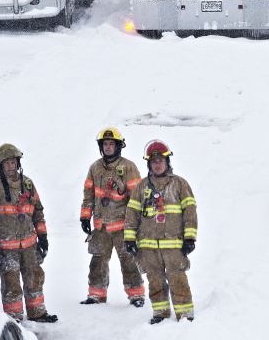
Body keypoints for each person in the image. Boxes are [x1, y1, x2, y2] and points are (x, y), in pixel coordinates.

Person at [0, 144, 58, 323]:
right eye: (6, 163)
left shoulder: (28, 184)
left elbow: (38, 212)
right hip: (7, 248)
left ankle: (37, 312)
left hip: (29, 246)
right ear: (0, 165)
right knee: (11, 284)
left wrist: (43, 237)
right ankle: (13, 319)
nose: (10, 166)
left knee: (35, 279)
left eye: (13, 162)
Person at [124, 140, 198, 324]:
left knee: (177, 279)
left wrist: (190, 238)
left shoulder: (180, 184)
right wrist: (130, 239)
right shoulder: (141, 187)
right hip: (148, 247)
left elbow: (190, 212)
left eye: (160, 160)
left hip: (174, 245)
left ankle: (185, 314)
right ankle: (160, 313)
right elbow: (132, 214)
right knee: (154, 281)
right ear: (149, 164)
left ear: (167, 162)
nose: (157, 164)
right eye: (153, 161)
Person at [79, 127, 146, 307]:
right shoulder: (94, 168)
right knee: (97, 262)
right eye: (105, 144)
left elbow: (137, 198)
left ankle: (136, 296)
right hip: (101, 228)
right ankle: (96, 296)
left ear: (118, 146)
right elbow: (88, 196)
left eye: (111, 144)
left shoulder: (128, 167)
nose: (108, 147)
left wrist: (136, 224)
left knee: (129, 262)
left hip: (123, 228)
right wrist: (85, 216)